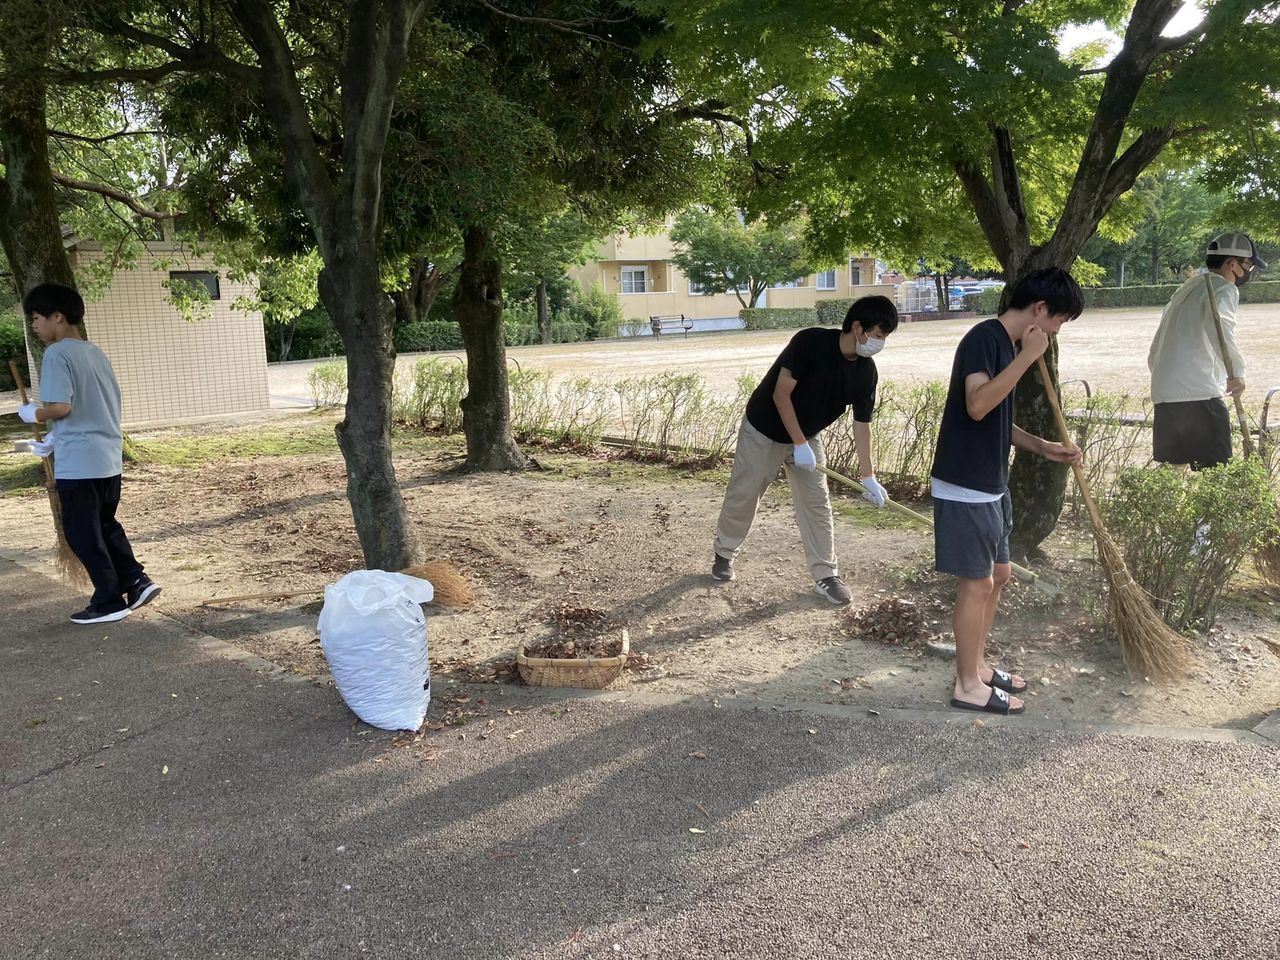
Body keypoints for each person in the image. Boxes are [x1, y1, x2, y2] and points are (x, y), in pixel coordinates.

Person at [930, 268, 1084, 715]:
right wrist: (1027, 356)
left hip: (992, 483)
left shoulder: (1008, 346)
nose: (1056, 331)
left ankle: (976, 668)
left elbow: (996, 415)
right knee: (977, 583)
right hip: (965, 484)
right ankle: (965, 686)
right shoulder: (985, 338)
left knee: (1000, 576)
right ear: (1039, 310)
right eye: (1058, 320)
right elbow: (977, 405)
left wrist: (1041, 446)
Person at [711, 296, 898, 605]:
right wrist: (797, 444)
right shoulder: (810, 342)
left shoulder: (866, 372)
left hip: (806, 436)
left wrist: (869, 476)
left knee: (816, 503)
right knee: (745, 493)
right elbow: (781, 394)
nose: (880, 343)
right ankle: (724, 552)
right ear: (857, 328)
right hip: (765, 428)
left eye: (884, 338)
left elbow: (862, 424)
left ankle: (826, 575)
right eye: (878, 335)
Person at [17, 283, 160, 624]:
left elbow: (61, 406)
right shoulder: (95, 352)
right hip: (106, 459)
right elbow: (89, 408)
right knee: (104, 524)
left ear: (58, 317)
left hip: (79, 463)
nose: (34, 327)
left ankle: (109, 601)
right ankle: (135, 580)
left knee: (82, 532)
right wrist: (52, 441)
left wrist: (34, 414)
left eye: (37, 318)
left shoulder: (57, 354)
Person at [1148, 232, 1268, 470]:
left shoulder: (1187, 287)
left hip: (1165, 392)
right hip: (1198, 393)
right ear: (1232, 264)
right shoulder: (1223, 288)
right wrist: (1237, 373)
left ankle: (1162, 509)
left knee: (1173, 469)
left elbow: (1157, 344)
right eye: (1249, 264)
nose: (1250, 271)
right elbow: (1220, 329)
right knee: (1217, 471)